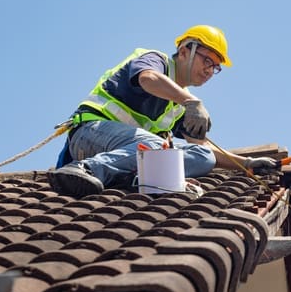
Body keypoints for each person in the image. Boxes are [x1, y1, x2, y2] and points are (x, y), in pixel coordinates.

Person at [47, 25, 278, 197]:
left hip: (128, 152)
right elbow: (147, 78)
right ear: (186, 50)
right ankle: (85, 169)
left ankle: (138, 179)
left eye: (215, 67)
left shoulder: (177, 105)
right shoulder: (156, 61)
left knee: (204, 156)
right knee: (155, 149)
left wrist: (245, 164)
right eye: (207, 60)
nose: (210, 70)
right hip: (89, 134)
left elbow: (203, 146)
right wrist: (191, 101)